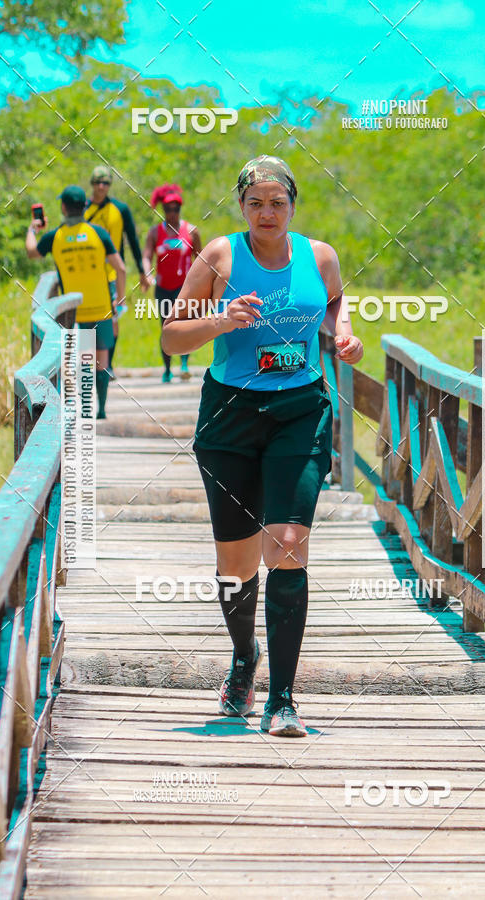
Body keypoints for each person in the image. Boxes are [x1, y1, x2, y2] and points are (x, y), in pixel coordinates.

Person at [162, 155, 363, 737]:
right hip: (231, 415)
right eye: (256, 203)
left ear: (293, 206)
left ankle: (283, 700)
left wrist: (343, 333)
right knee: (236, 564)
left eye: (277, 203)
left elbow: (333, 302)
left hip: (300, 410)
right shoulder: (219, 257)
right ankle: (244, 655)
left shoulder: (319, 256)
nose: (267, 213)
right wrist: (221, 321)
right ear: (241, 206)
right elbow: (171, 337)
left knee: (289, 542)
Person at [26, 185, 126, 419]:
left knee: (82, 360)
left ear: (63, 207)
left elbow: (32, 252)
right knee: (102, 359)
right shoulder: (99, 233)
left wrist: (32, 229)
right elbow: (120, 268)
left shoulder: (55, 237)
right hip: (101, 307)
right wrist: (119, 301)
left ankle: (84, 411)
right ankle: (101, 410)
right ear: (84, 206)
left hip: (72, 312)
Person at [84, 165, 150, 371]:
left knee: (112, 318)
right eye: (98, 182)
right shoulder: (83, 208)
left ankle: (108, 365)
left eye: (105, 183)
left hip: (112, 273)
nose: (101, 187)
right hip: (86, 274)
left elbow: (133, 240)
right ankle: (90, 366)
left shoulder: (120, 209)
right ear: (92, 184)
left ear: (110, 185)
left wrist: (142, 271)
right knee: (87, 318)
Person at [143, 184, 202, 383]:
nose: (172, 213)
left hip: (184, 287)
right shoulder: (155, 232)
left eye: (176, 209)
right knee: (166, 327)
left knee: (184, 324)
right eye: (168, 209)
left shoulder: (191, 231)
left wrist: (204, 283)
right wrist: (147, 273)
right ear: (163, 210)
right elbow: (146, 256)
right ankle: (167, 369)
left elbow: (201, 259)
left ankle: (184, 364)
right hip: (163, 288)